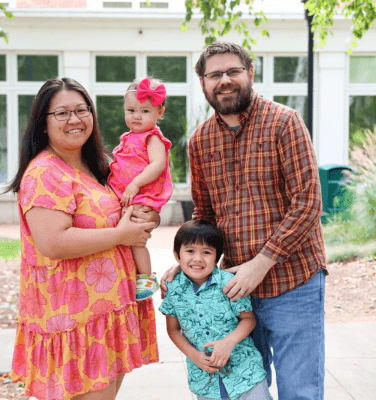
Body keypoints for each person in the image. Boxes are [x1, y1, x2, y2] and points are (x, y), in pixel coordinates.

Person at [161, 41, 327, 400]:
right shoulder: (201, 141)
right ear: (203, 84)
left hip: (293, 282)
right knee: (243, 390)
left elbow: (308, 202)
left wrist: (262, 262)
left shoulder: (284, 122)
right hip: (234, 292)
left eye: (233, 71)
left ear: (250, 74)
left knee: (301, 391)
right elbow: (204, 214)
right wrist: (187, 262)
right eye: (214, 74)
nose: (224, 80)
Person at [6, 77, 160, 400]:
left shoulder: (98, 166)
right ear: (43, 125)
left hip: (107, 315)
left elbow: (127, 208)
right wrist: (121, 234)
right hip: (75, 323)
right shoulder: (44, 172)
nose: (74, 119)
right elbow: (53, 242)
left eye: (81, 109)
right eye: (61, 113)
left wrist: (148, 218)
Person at [160, 220, 272, 400]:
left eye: (206, 252)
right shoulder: (173, 289)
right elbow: (173, 330)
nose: (197, 258)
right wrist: (194, 356)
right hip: (205, 379)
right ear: (177, 255)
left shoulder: (230, 283)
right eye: (190, 251)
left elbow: (248, 319)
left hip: (245, 372)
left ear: (217, 257)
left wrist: (229, 342)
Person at [108, 77, 172, 301]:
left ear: (159, 113)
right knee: (127, 233)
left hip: (143, 195)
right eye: (131, 110)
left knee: (136, 238)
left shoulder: (152, 137)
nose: (136, 116)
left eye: (145, 111)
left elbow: (158, 164)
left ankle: (146, 277)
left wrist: (135, 184)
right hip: (128, 194)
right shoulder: (128, 137)